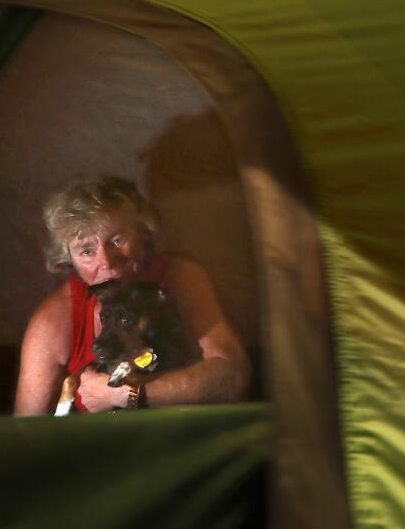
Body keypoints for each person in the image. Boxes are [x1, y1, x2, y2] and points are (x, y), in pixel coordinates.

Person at [14, 176, 250, 415]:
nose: (107, 262)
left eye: (117, 240)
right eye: (86, 251)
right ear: (69, 259)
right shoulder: (55, 319)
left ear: (142, 234)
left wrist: (119, 394)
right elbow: (24, 432)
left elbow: (232, 378)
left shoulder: (177, 278)